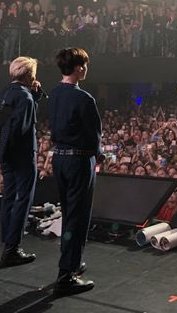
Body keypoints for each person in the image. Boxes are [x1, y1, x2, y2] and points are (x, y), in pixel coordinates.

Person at [49, 47, 102, 294]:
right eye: (86, 65)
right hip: (79, 161)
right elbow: (94, 136)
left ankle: (71, 261)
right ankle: (67, 274)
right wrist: (98, 156)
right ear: (79, 68)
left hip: (59, 159)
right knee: (77, 217)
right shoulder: (84, 99)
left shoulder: (54, 93)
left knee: (69, 213)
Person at [0, 56, 44, 266]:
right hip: (22, 154)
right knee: (23, 199)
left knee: (8, 196)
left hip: (6, 152)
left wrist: (35, 96)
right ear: (29, 75)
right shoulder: (25, 97)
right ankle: (13, 248)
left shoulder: (5, 92)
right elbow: (22, 127)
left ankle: (7, 241)